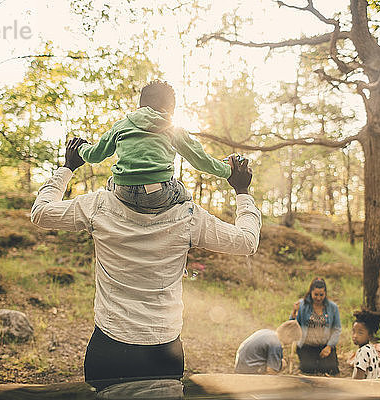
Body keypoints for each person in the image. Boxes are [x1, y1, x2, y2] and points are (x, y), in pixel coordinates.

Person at [31, 140, 261, 389]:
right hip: (163, 350)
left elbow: (41, 212)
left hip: (109, 346)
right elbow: (247, 241)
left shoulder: (98, 205)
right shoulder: (188, 216)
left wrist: (68, 167)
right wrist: (242, 191)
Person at [77, 80, 233, 214]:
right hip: (158, 194)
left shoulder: (121, 126)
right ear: (171, 107)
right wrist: (227, 170)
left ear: (140, 104)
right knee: (185, 196)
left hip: (123, 191)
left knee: (111, 181)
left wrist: (81, 147)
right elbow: (201, 159)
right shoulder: (173, 128)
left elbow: (94, 156)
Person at [289, 277, 341, 375]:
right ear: (311, 292)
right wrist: (294, 312)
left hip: (324, 346)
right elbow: (292, 325)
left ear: (325, 293)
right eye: (315, 294)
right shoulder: (302, 305)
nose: (318, 298)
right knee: (308, 369)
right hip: (307, 345)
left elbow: (337, 329)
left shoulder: (332, 307)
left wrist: (329, 347)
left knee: (330, 369)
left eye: (321, 295)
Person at [234, 320, 302, 375]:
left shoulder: (267, 332)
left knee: (279, 363)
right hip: (250, 371)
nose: (290, 343)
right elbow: (271, 370)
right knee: (282, 364)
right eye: (292, 340)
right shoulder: (275, 343)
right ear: (288, 335)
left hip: (240, 366)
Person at [351, 309, 380, 380]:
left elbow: (359, 377)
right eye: (353, 331)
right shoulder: (372, 349)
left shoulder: (362, 352)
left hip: (363, 389)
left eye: (360, 333)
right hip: (372, 388)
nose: (355, 336)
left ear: (370, 335)